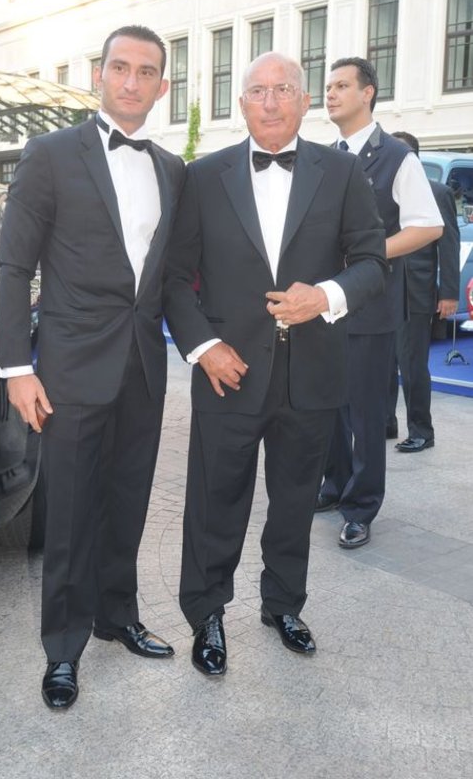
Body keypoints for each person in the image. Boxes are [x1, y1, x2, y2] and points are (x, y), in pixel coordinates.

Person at [163, 52, 387, 677]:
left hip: (311, 373)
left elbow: (372, 263)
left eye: (283, 89)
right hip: (227, 373)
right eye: (257, 90)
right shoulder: (201, 176)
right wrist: (205, 347)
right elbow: (175, 279)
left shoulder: (341, 172)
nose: (270, 101)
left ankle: (283, 605)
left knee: (294, 503)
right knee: (215, 502)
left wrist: (326, 296)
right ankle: (207, 614)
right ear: (241, 103)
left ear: (304, 101)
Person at [0, 25, 185, 710]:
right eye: (120, 67)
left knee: (128, 499)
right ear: (99, 75)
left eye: (146, 71)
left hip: (143, 365)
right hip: (70, 368)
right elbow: (13, 267)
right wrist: (16, 367)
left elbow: (171, 279)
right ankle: (63, 648)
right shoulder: (49, 155)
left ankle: (117, 614)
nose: (132, 81)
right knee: (72, 512)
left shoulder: (172, 169)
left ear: (163, 86)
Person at [315, 58, 443, 548]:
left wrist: (371, 253)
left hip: (371, 304)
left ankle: (361, 507)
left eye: (341, 86)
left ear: (368, 93)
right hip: (324, 305)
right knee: (329, 406)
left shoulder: (396, 157)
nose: (330, 94)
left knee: (367, 414)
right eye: (328, 86)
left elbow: (427, 226)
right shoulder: (324, 157)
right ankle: (334, 485)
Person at [387, 131, 460, 451]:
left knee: (412, 363)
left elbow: (449, 245)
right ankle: (386, 422)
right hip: (382, 290)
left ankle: (421, 430)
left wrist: (449, 294)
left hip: (416, 291)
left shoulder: (437, 192)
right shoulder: (382, 191)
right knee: (383, 361)